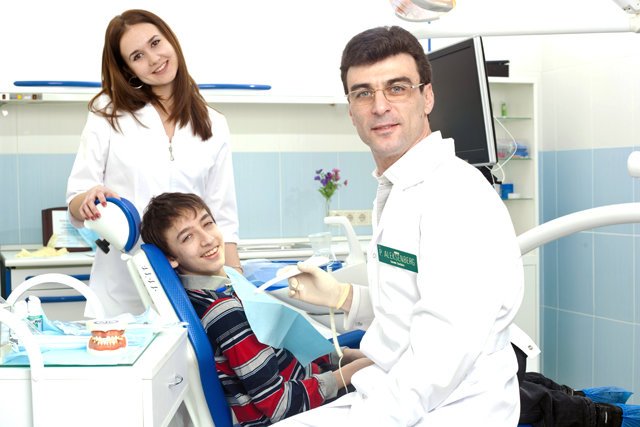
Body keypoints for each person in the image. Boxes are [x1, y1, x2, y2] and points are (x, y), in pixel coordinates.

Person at [276, 26, 525, 426]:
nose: (380, 106)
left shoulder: (455, 196)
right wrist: (344, 297)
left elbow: (440, 358)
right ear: (351, 110)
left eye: (397, 88)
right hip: (396, 395)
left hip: (451, 411)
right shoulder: (400, 189)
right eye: (363, 93)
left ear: (427, 97)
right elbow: (408, 305)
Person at [140, 192, 373, 426]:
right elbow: (280, 405)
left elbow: (284, 343)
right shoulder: (224, 312)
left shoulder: (224, 285)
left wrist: (344, 356)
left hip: (309, 380)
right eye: (188, 237)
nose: (207, 239)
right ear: (171, 257)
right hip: (299, 409)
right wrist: (351, 372)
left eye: (207, 223)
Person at [66, 9, 241, 318]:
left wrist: (236, 285)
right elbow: (76, 200)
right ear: (128, 69)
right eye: (137, 56)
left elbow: (223, 216)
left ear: (170, 40)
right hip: (121, 290)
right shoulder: (108, 113)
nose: (154, 59)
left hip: (191, 292)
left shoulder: (213, 123)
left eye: (156, 43)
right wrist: (87, 200)